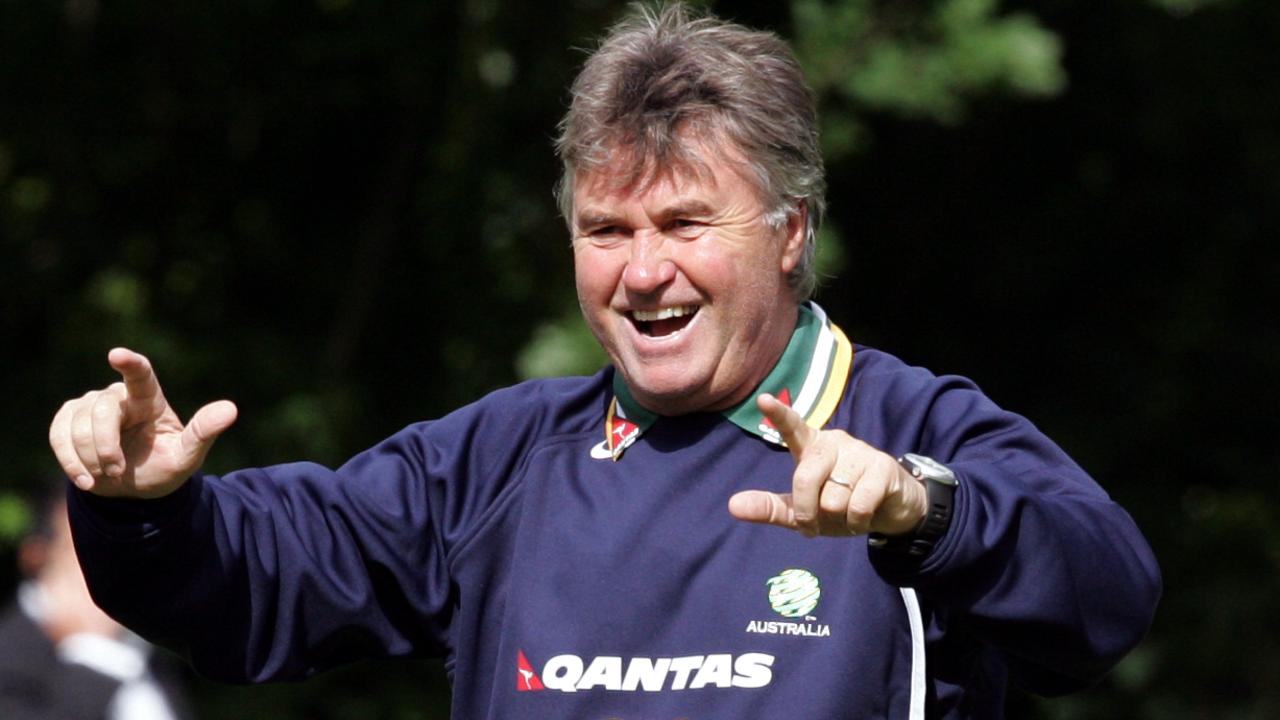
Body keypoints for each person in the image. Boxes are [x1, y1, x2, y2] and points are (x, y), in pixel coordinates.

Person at [47, 3, 1160, 718]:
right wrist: (145, 510)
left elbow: (1106, 596)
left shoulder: (916, 432)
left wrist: (922, 512)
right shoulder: (499, 460)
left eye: (683, 225)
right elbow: (249, 588)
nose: (640, 273)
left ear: (787, 232)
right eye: (605, 231)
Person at [0, 485, 193, 720]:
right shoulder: (9, 654)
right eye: (90, 546)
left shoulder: (144, 646)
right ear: (37, 556)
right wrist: (93, 648)